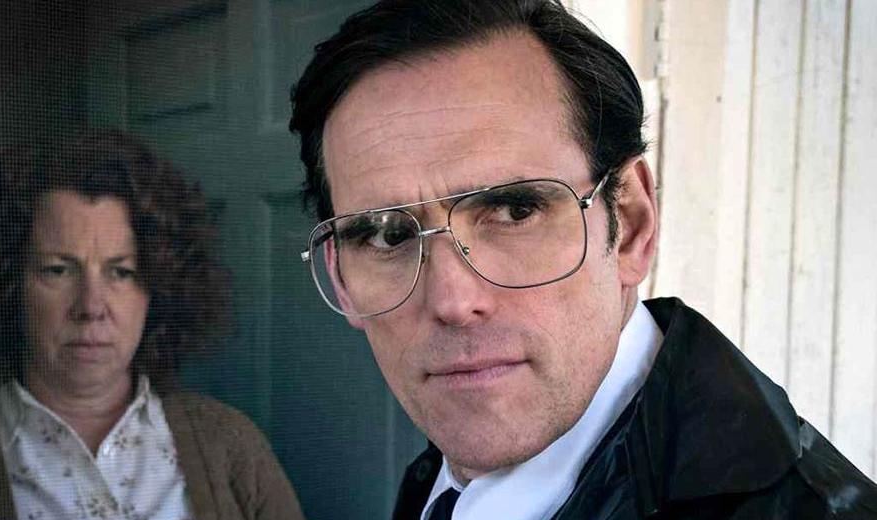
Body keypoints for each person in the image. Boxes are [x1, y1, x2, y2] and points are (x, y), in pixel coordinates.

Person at [288, 1, 877, 519]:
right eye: (386, 236)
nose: (452, 301)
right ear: (340, 278)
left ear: (631, 227)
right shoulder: (443, 484)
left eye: (516, 210)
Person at [0, 130, 303, 520]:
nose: (92, 306)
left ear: (159, 288)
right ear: (5, 284)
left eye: (121, 272)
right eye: (58, 270)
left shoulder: (231, 446)